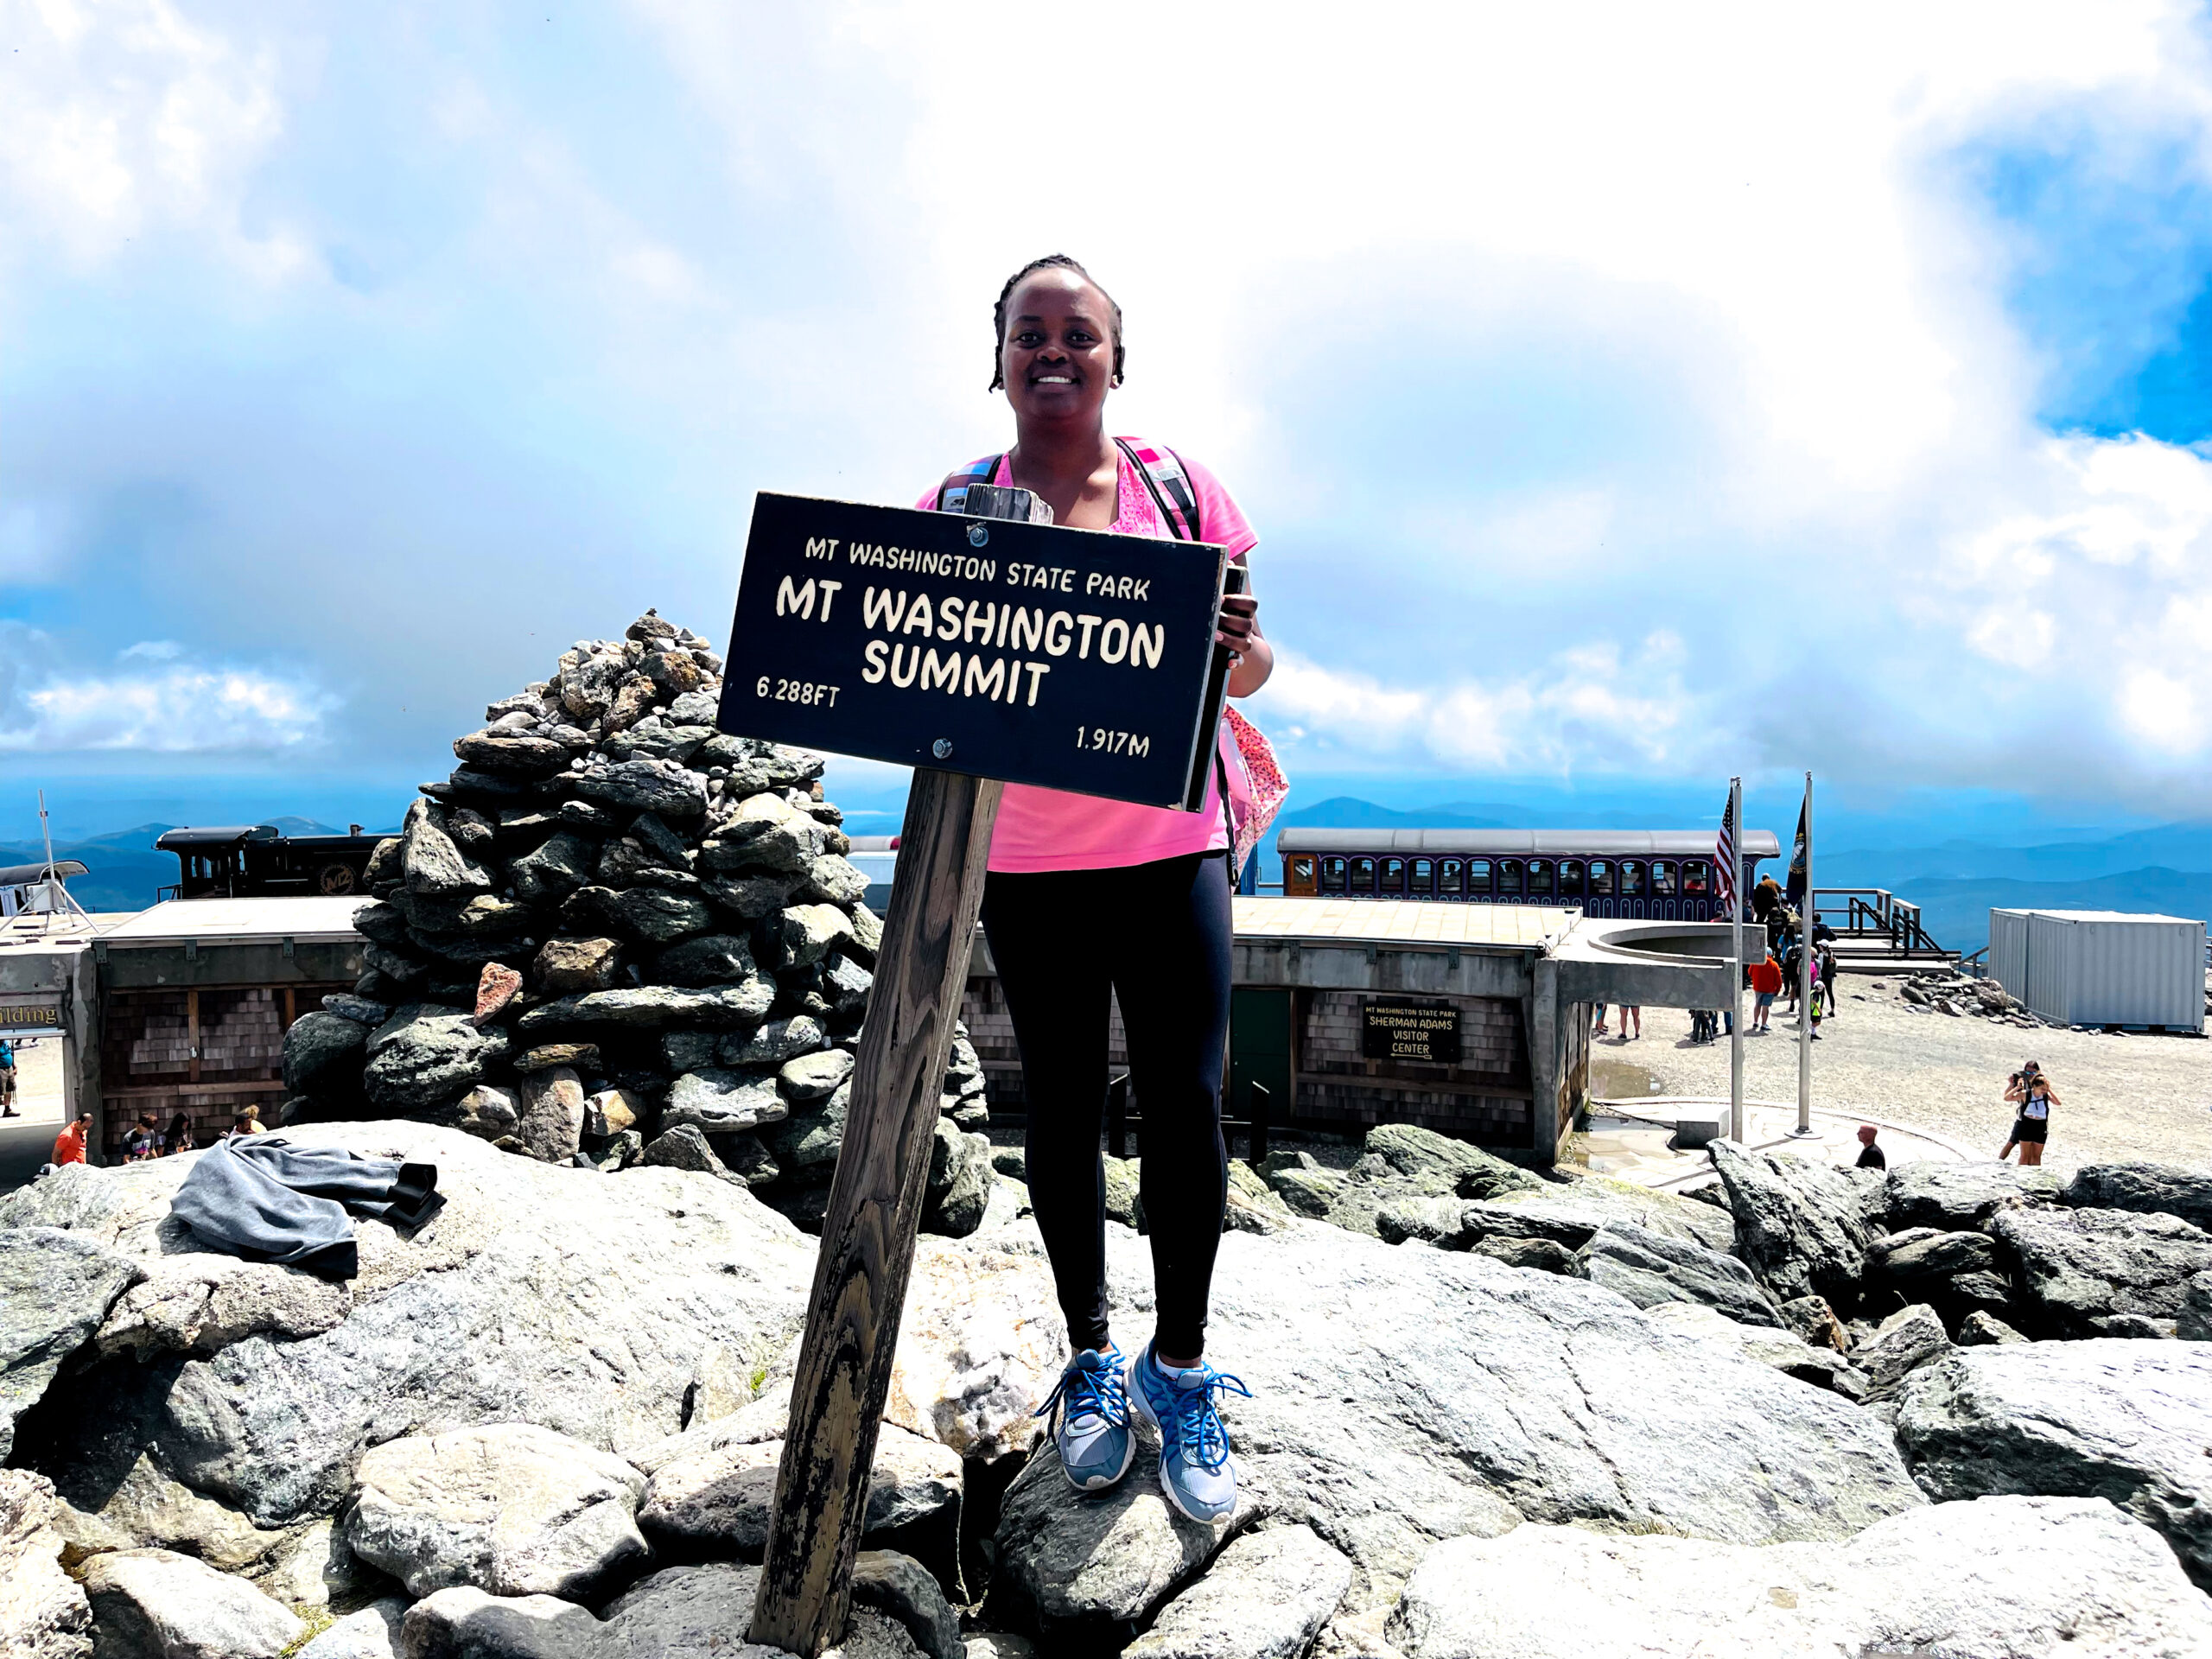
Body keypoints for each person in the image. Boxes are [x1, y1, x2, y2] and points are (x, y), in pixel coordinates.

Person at [919, 255, 1268, 1524]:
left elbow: (1254, 665)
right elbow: (917, 670)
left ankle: (1178, 1369)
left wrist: (1238, 649)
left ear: (1119, 360)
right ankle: (1089, 1355)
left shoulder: (1181, 492)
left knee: (1185, 1104)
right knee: (1057, 1113)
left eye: (1081, 335)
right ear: (999, 356)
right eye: (1031, 333)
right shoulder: (956, 503)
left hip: (1173, 846)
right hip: (1027, 861)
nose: (1054, 353)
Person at [1999, 1062, 2060, 1166]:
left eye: (2033, 1072)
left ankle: (2034, 1178)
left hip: (2040, 1126)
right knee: (2017, 1148)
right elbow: (2007, 1098)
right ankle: (2000, 1163)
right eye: (2028, 1072)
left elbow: (2058, 1103)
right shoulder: (2026, 1092)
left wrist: (2048, 1089)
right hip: (2025, 1123)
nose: (2030, 1074)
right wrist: (2015, 1086)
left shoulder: (2045, 1093)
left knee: (2036, 1157)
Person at [1749, 951, 1782, 1032]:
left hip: (1757, 988)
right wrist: (1777, 990)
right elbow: (1779, 980)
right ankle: (1764, 1024)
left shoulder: (1755, 962)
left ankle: (1755, 1022)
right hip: (1769, 989)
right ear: (1770, 955)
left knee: (1757, 1004)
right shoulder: (1774, 964)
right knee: (1765, 1007)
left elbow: (1749, 972)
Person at [0, 1037, 16, 1117]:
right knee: (1, 1090)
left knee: (9, 1089)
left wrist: (14, 1066)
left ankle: (7, 1110)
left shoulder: (7, 1040)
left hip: (9, 1067)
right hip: (0, 1069)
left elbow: (11, 1053)